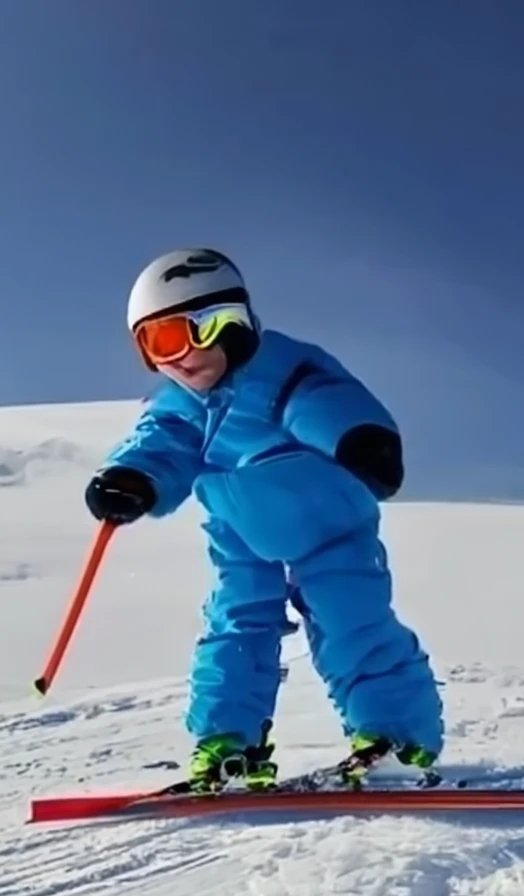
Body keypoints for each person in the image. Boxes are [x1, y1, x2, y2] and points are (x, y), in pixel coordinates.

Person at [84, 248, 444, 792]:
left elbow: (322, 402)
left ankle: (393, 735)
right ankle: (227, 743)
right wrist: (133, 477)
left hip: (327, 521)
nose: (178, 358)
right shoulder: (179, 406)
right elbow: (159, 445)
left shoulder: (283, 372)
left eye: (184, 335)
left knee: (349, 619)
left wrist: (360, 439)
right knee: (235, 624)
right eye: (156, 344)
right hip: (239, 532)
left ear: (228, 321)